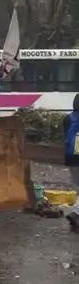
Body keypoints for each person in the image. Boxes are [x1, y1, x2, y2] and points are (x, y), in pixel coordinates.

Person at [64, 94, 79, 230]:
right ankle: (75, 213)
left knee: (77, 187)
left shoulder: (68, 118)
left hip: (70, 157)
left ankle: (76, 218)